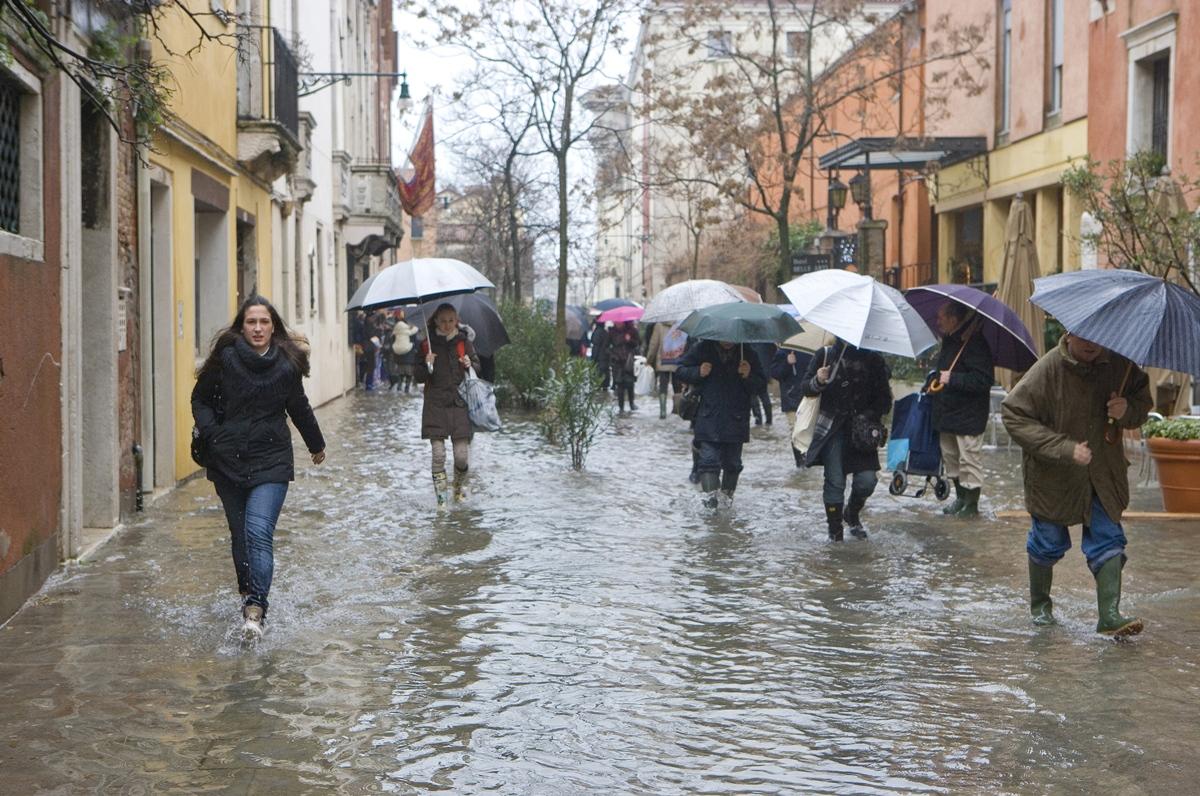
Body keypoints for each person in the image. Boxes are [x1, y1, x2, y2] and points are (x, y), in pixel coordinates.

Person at [191, 296, 326, 639]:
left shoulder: (287, 364)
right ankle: (247, 592)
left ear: (273, 327)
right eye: (251, 322)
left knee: (258, 531)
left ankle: (255, 609)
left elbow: (298, 406)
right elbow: (200, 399)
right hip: (228, 459)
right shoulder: (226, 359)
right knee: (240, 536)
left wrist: (316, 444)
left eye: (264, 322)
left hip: (271, 460)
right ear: (242, 326)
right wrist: (213, 434)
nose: (258, 328)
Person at [1001, 332, 1151, 637]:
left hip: (1103, 474)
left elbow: (1141, 404)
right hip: (1053, 477)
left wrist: (1127, 411)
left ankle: (1109, 616)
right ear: (1069, 333)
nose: (1091, 343)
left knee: (1109, 538)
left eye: (1098, 337)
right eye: (1084, 337)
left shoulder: (1120, 366)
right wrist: (1063, 448)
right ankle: (1040, 608)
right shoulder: (1047, 369)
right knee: (1047, 542)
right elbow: (1014, 414)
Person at [800, 339, 892, 541]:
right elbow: (805, 388)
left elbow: (885, 401)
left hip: (862, 432)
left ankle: (851, 513)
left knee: (867, 481)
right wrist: (818, 380)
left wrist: (868, 416)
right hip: (833, 429)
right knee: (835, 481)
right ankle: (835, 533)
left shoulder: (874, 360)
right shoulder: (825, 355)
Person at [676, 340, 767, 508]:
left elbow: (761, 384)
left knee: (733, 464)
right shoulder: (703, 348)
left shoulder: (747, 352)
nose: (727, 342)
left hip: (736, 418)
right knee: (708, 462)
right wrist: (698, 372)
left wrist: (748, 375)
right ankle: (711, 509)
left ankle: (726, 505)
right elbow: (680, 370)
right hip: (708, 416)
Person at [930, 302, 995, 517]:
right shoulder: (950, 342)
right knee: (951, 458)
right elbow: (943, 372)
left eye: (941, 317)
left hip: (968, 416)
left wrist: (954, 378)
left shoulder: (975, 343)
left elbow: (984, 379)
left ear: (953, 318)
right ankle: (960, 498)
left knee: (969, 459)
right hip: (947, 413)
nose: (938, 321)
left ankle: (971, 505)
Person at [415, 303, 480, 507]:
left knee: (461, 457)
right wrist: (427, 364)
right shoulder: (427, 345)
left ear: (456, 320)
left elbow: (478, 366)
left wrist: (470, 364)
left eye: (451, 320)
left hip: (459, 405)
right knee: (438, 455)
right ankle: (441, 502)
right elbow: (417, 376)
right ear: (435, 321)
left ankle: (458, 490)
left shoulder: (464, 342)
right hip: (435, 406)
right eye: (442, 320)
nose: (447, 324)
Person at [770, 347, 814, 467]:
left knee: (810, 430)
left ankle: (810, 460)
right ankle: (800, 463)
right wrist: (787, 363)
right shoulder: (785, 350)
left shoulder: (816, 349)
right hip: (792, 398)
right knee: (795, 431)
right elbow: (775, 373)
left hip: (812, 397)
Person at [645, 322, 684, 419]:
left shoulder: (659, 325)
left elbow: (654, 344)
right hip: (678, 361)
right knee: (677, 386)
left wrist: (649, 359)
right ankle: (677, 410)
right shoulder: (681, 323)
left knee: (663, 386)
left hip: (663, 361)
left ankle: (663, 411)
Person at [609, 320, 641, 413]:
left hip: (629, 361)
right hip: (617, 362)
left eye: (620, 322)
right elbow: (607, 347)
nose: (618, 323)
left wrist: (629, 340)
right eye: (616, 322)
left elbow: (637, 343)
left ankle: (631, 403)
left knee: (630, 383)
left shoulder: (632, 331)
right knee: (619, 385)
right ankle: (621, 406)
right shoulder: (611, 332)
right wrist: (613, 355)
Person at [387, 309, 420, 393]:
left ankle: (399, 387)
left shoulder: (396, 328)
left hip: (398, 354)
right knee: (408, 372)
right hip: (409, 353)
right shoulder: (410, 330)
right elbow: (415, 339)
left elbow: (392, 339)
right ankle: (407, 388)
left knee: (400, 372)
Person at [748, 342, 776, 426]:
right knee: (763, 396)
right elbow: (773, 354)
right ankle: (768, 421)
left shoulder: (746, 342)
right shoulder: (768, 341)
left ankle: (759, 421)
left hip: (753, 373)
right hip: (763, 372)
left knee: (754, 398)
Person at [590, 318, 611, 391]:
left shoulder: (597, 332)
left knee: (599, 371)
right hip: (605, 355)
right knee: (605, 370)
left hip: (599, 355)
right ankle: (605, 385)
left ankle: (598, 385)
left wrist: (594, 357)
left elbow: (596, 345)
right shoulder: (605, 332)